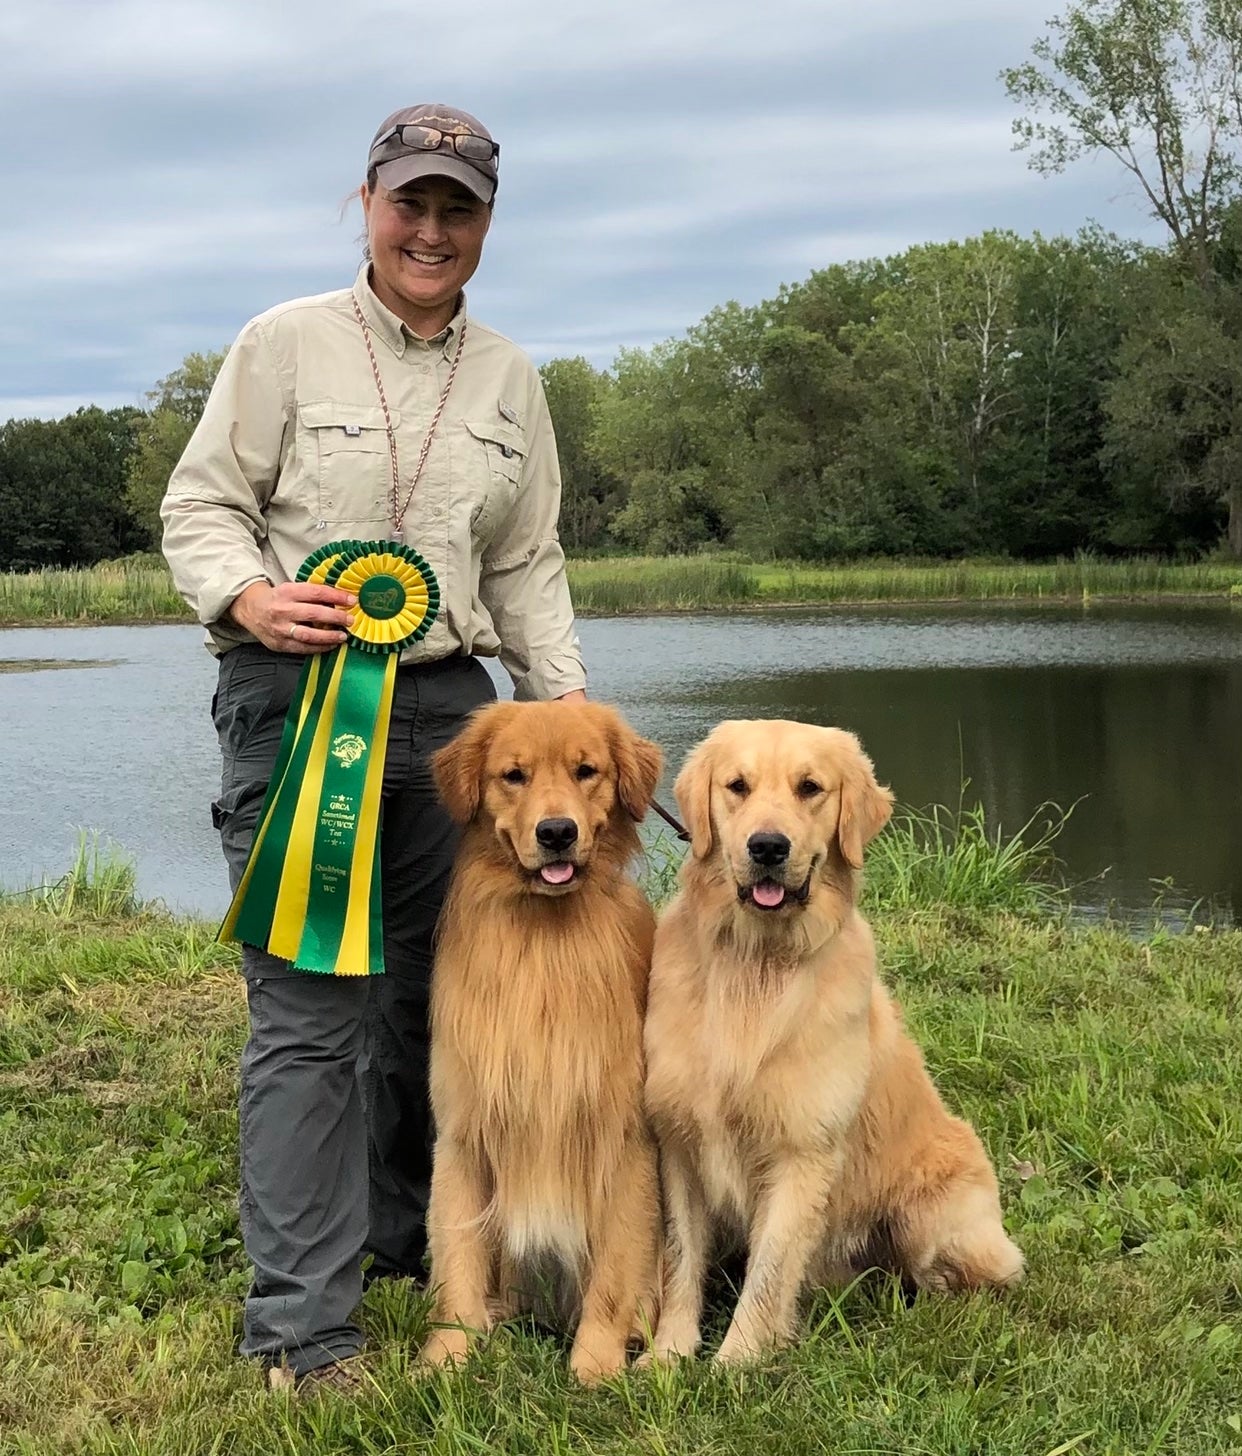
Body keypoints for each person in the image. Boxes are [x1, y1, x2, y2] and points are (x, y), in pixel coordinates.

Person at [161, 103, 587, 1391]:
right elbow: (200, 505)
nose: (432, 230)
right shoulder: (282, 344)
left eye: (458, 209)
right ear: (368, 203)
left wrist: (572, 726)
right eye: (412, 203)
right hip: (298, 707)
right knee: (310, 1015)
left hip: (460, 719)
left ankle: (408, 1244)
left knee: (427, 1012)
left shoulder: (512, 378)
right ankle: (304, 1327)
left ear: (486, 224)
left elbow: (526, 564)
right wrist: (245, 594)